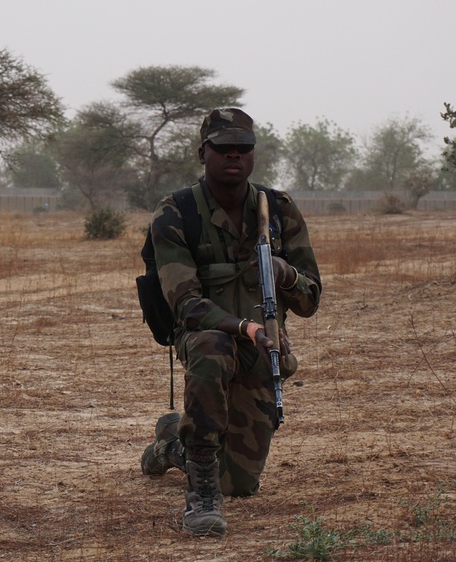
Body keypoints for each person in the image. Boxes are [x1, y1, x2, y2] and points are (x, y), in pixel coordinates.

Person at [139, 108, 322, 536]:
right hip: (208, 339)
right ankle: (201, 498)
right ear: (203, 153)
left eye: (244, 148)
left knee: (240, 485)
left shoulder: (277, 209)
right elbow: (185, 303)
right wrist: (245, 328)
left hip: (263, 350)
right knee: (211, 348)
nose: (234, 156)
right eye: (223, 148)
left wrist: (286, 274)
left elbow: (311, 299)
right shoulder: (176, 212)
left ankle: (172, 447)